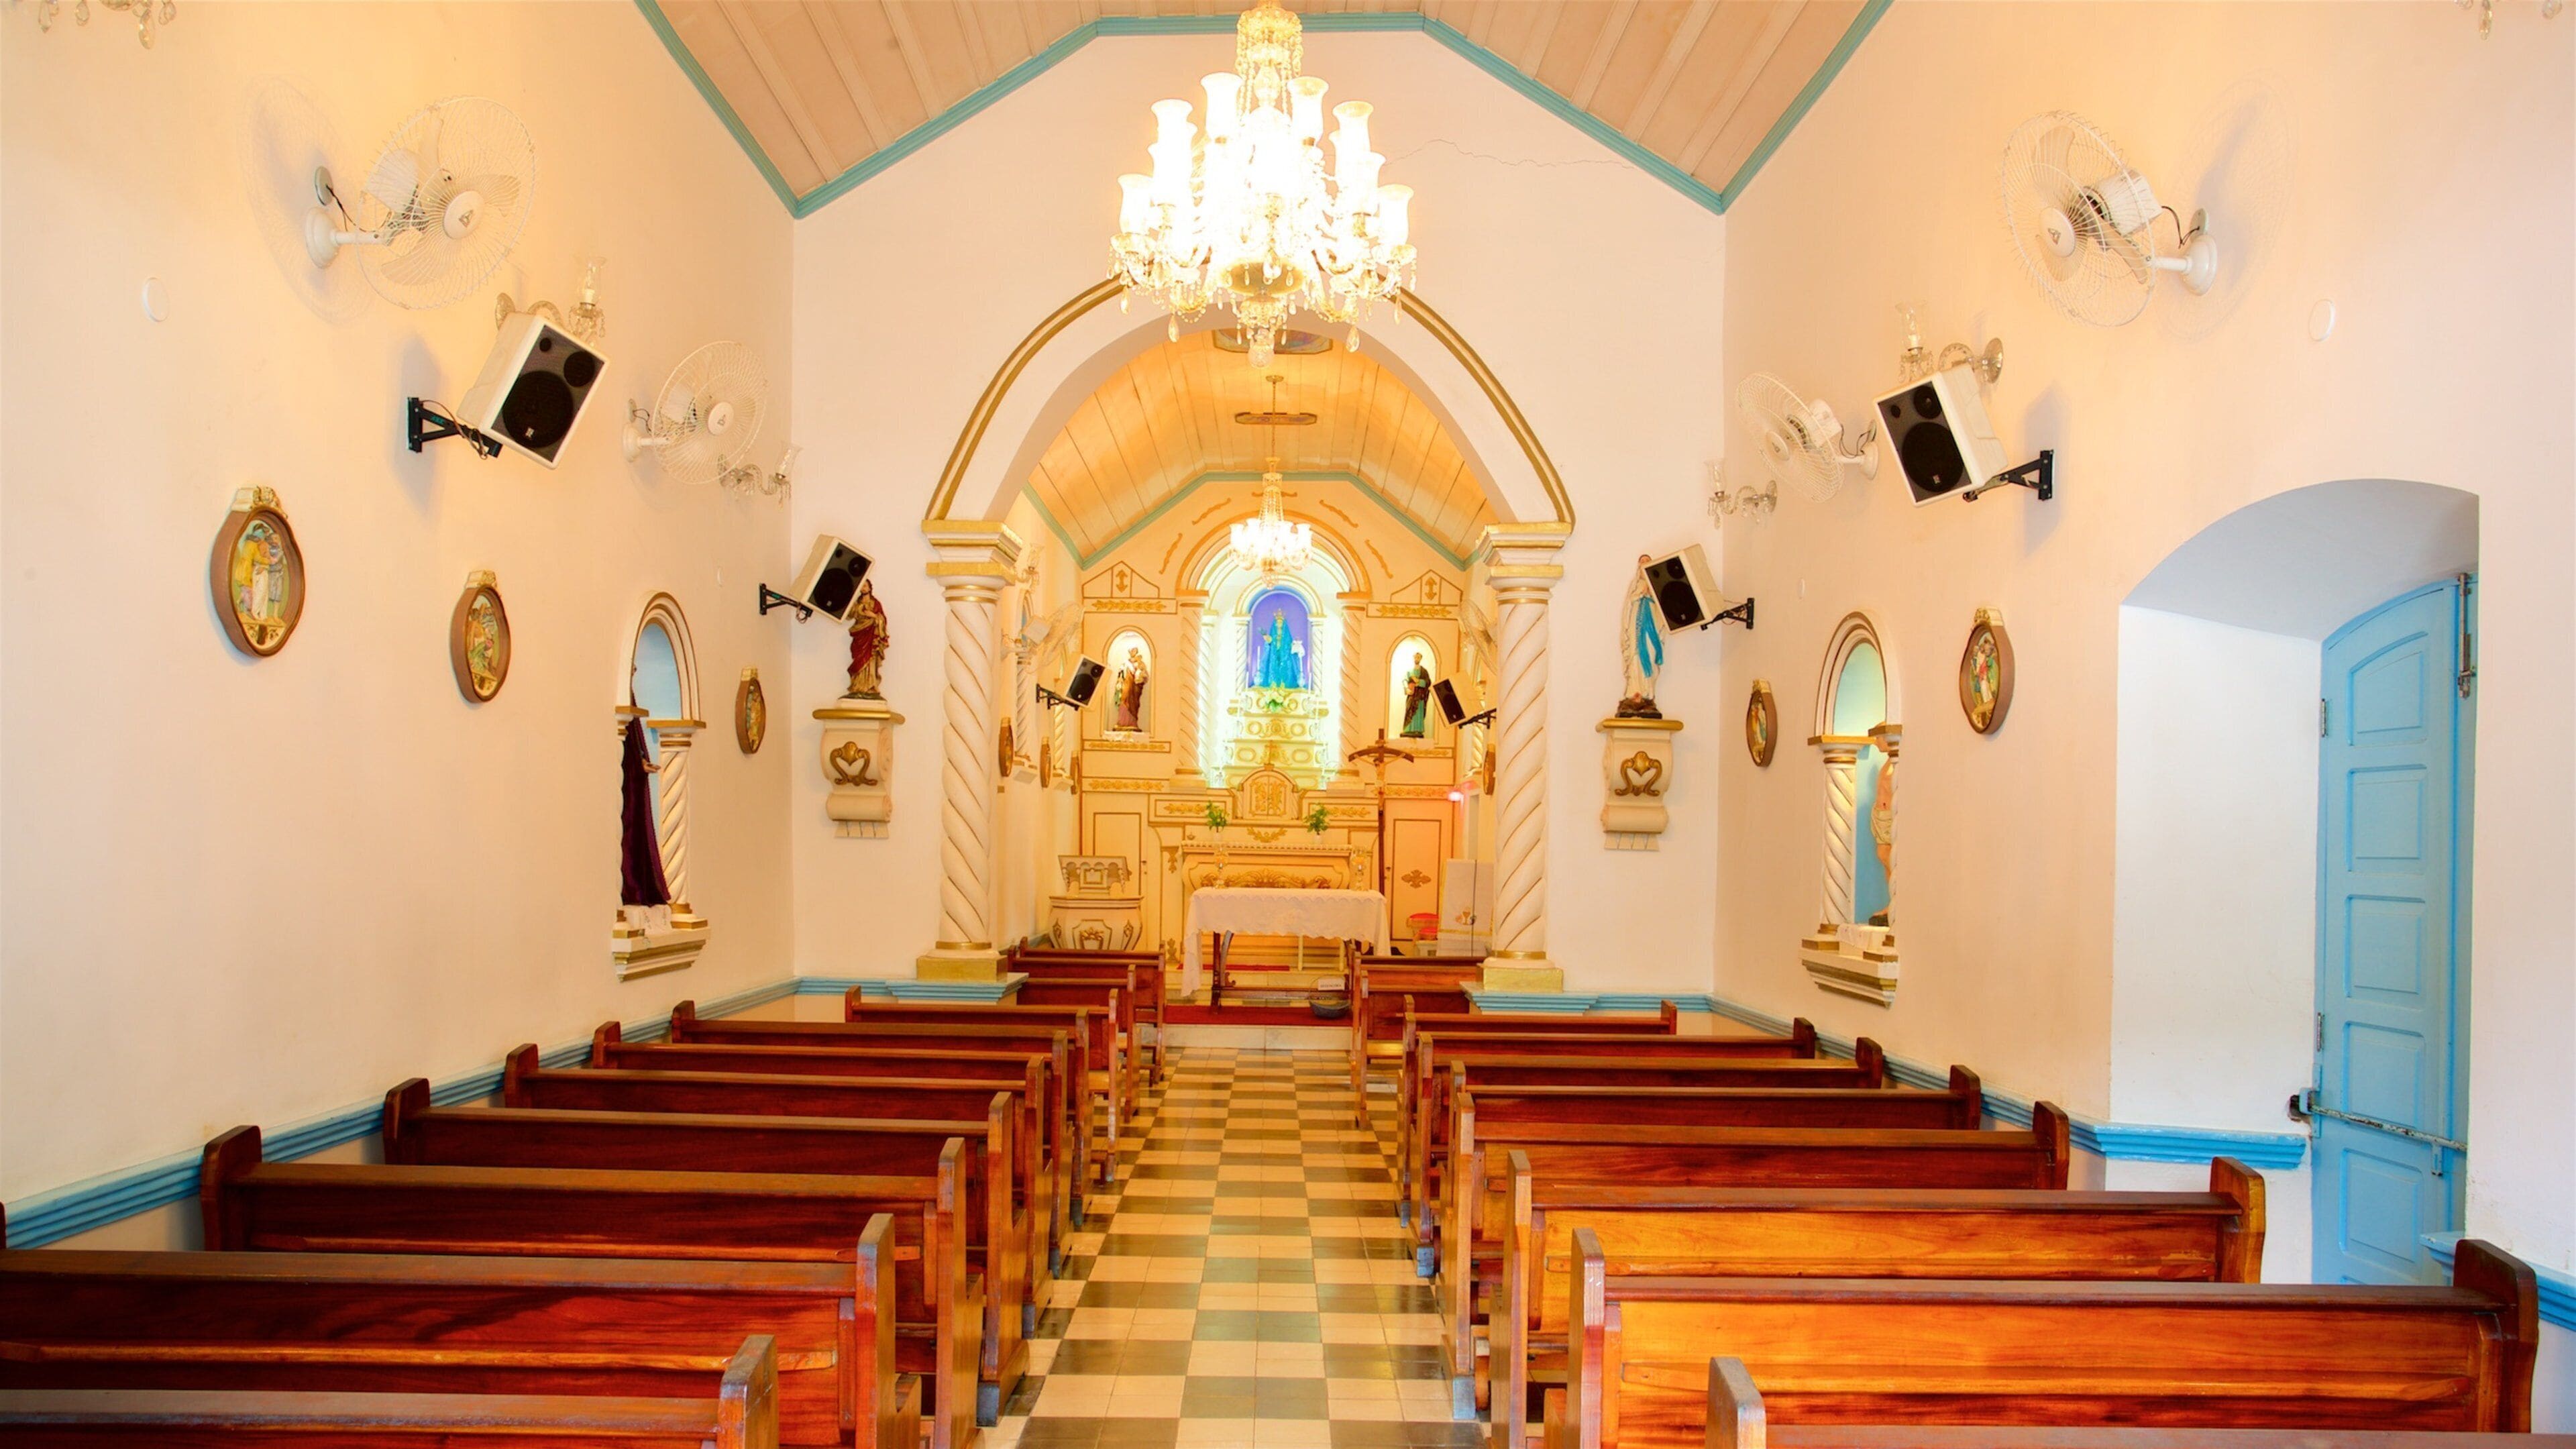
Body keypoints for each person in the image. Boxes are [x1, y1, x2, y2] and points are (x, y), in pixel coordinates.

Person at [1617, 553, 1664, 718]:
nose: (1644, 565)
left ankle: (1647, 694)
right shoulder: (1635, 585)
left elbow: (1662, 609)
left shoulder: (1657, 586)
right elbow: (1628, 607)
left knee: (1649, 658)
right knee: (1635, 658)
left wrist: (1650, 594)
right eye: (1642, 562)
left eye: (1647, 562)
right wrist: (1639, 594)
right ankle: (1634, 693)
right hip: (1636, 628)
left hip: (1651, 627)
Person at [845, 580, 889, 698]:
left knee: (870, 658)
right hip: (860, 634)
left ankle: (870, 686)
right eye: (862, 586)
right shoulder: (856, 603)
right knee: (859, 658)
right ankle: (858, 686)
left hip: (871, 635)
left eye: (865, 586)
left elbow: (882, 620)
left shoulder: (875, 603)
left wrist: (873, 616)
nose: (863, 588)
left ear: (870, 588)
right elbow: (848, 615)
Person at [1113, 645, 1149, 731]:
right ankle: (1122, 722)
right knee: (1124, 699)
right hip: (1126, 684)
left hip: (1134, 687)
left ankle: (1132, 722)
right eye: (1132, 650)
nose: (1133, 652)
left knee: (1133, 703)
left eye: (1135, 650)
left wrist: (1140, 676)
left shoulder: (1140, 663)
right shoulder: (1125, 663)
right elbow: (1120, 675)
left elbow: (1145, 676)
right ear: (1130, 652)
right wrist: (1120, 680)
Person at [1399, 651, 1432, 737]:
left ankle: (1418, 729)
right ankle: (1409, 729)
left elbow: (1428, 682)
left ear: (1421, 659)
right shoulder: (1410, 671)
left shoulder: (1424, 671)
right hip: (1412, 694)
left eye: (1418, 657)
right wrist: (1406, 689)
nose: (1416, 659)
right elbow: (1404, 680)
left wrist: (1419, 683)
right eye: (1415, 657)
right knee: (1410, 709)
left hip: (1420, 696)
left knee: (1418, 711)